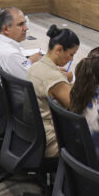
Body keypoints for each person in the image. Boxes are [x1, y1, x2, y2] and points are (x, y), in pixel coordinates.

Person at [27, 25, 79, 158]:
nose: (71, 59)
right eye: (71, 54)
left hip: (31, 135)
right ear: (59, 50)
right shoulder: (53, 77)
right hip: (51, 141)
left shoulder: (35, 67)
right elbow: (76, 108)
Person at [0, 8, 43, 79]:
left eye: (25, 23)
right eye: (21, 24)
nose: (26, 28)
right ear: (6, 29)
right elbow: (36, 80)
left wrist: (28, 62)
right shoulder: (11, 54)